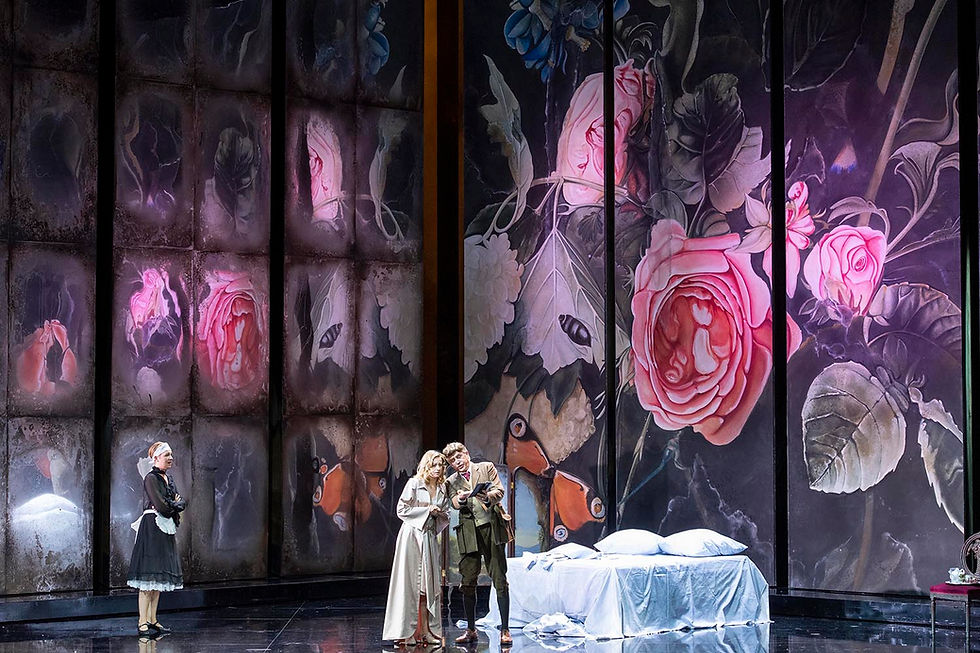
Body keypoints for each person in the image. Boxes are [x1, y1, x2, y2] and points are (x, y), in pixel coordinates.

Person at [443, 442, 512, 647]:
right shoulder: (451, 481)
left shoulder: (486, 467)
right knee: (467, 580)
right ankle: (471, 630)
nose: (457, 462)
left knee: (499, 578)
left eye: (459, 457)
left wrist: (486, 495)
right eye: (452, 461)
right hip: (468, 531)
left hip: (491, 527)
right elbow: (453, 503)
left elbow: (499, 491)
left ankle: (505, 629)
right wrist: (461, 499)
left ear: (466, 454)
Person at [382, 450, 451, 647]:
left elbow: (446, 514)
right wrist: (426, 510)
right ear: (426, 466)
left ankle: (426, 631)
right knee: (409, 583)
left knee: (428, 586)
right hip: (412, 536)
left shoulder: (442, 488)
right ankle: (406, 632)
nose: (437, 469)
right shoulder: (414, 483)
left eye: (440, 465)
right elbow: (401, 509)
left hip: (429, 537)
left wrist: (438, 514)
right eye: (434, 465)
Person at [127, 441, 186, 637]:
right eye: (166, 455)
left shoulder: (168, 478)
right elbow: (162, 506)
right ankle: (142, 621)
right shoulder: (151, 478)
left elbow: (181, 501)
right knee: (148, 576)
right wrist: (174, 505)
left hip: (165, 528)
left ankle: (152, 619)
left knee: (158, 577)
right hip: (152, 528)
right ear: (156, 458)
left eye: (171, 454)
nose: (170, 458)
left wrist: (174, 504)